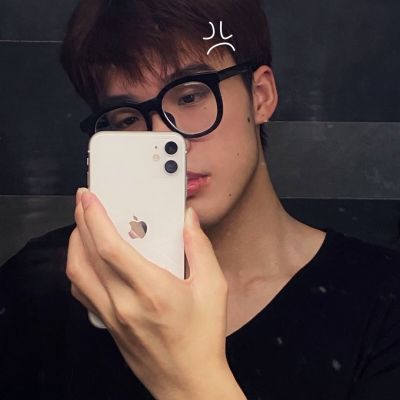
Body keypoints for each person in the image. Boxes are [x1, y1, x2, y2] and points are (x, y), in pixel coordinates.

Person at [1, 0, 400, 399]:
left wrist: (185, 376)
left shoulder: (381, 304)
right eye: (127, 118)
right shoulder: (47, 287)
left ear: (260, 96)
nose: (165, 139)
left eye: (190, 97)